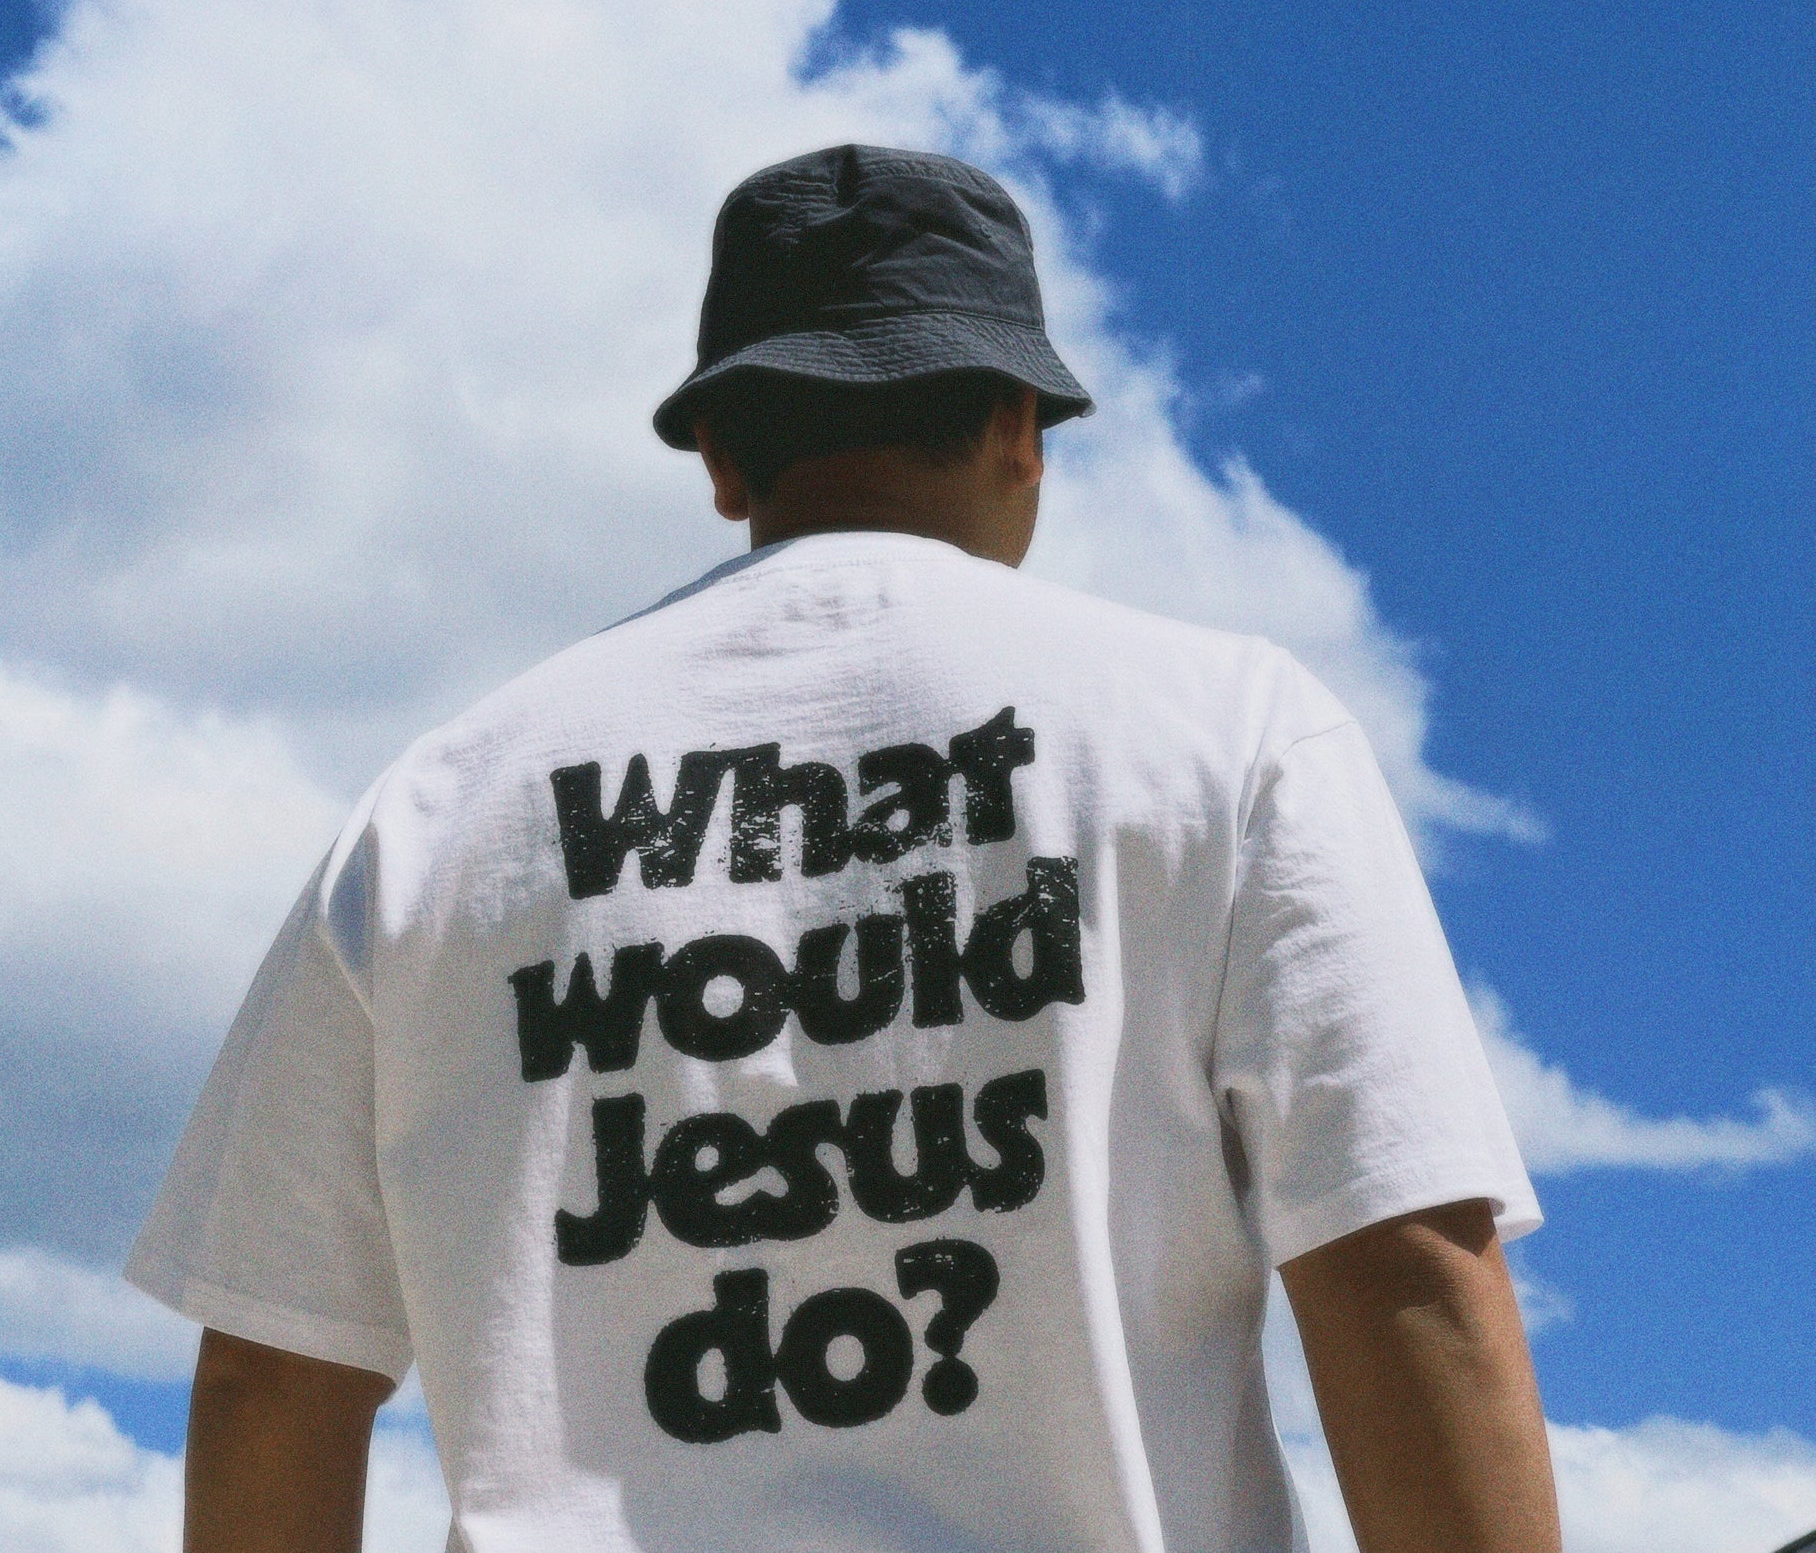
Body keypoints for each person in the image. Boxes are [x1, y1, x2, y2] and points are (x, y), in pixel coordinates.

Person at [129, 143, 1562, 1553]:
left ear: (720, 456)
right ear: (1018, 423)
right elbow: (1402, 1267)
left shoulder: (443, 809)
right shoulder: (1229, 733)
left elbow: (272, 1374)